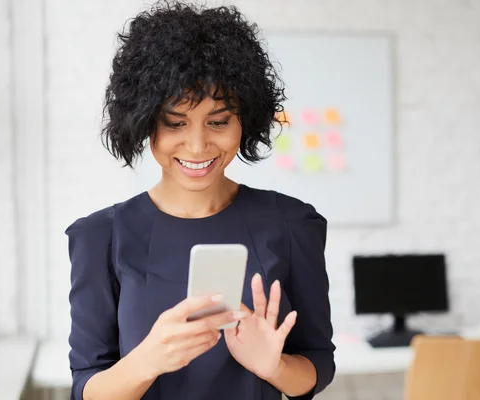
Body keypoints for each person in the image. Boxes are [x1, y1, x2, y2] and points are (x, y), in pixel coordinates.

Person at [66, 2, 335, 399]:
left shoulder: (292, 224)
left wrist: (274, 367)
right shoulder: (100, 237)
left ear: (245, 120)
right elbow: (86, 388)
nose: (196, 145)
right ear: (143, 123)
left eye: (218, 121)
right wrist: (148, 361)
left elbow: (318, 365)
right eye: (175, 123)